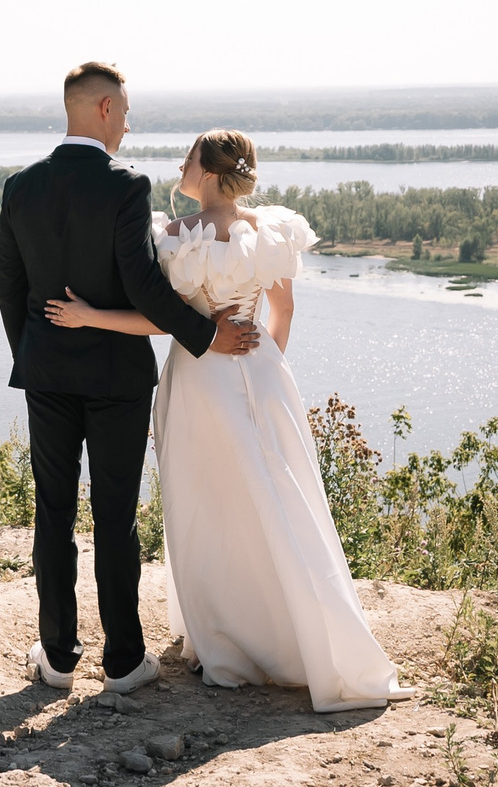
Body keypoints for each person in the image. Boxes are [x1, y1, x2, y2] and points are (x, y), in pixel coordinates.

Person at [45, 129, 409, 712]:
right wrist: (266, 371)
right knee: (278, 497)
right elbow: (283, 310)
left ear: (209, 173)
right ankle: (288, 634)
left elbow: (163, 322)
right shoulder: (270, 231)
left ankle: (227, 643)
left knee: (206, 505)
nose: (181, 166)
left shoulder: (173, 238)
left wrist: (90, 316)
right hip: (260, 374)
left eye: (189, 158)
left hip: (198, 380)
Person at [0, 62, 260, 693]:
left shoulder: (19, 186)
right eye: (128, 111)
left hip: (46, 376)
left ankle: (57, 658)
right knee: (115, 516)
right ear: (106, 110)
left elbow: (10, 289)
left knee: (53, 512)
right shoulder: (126, 186)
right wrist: (206, 335)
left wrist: (36, 354)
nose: (130, 124)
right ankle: (122, 662)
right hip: (116, 379)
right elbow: (142, 285)